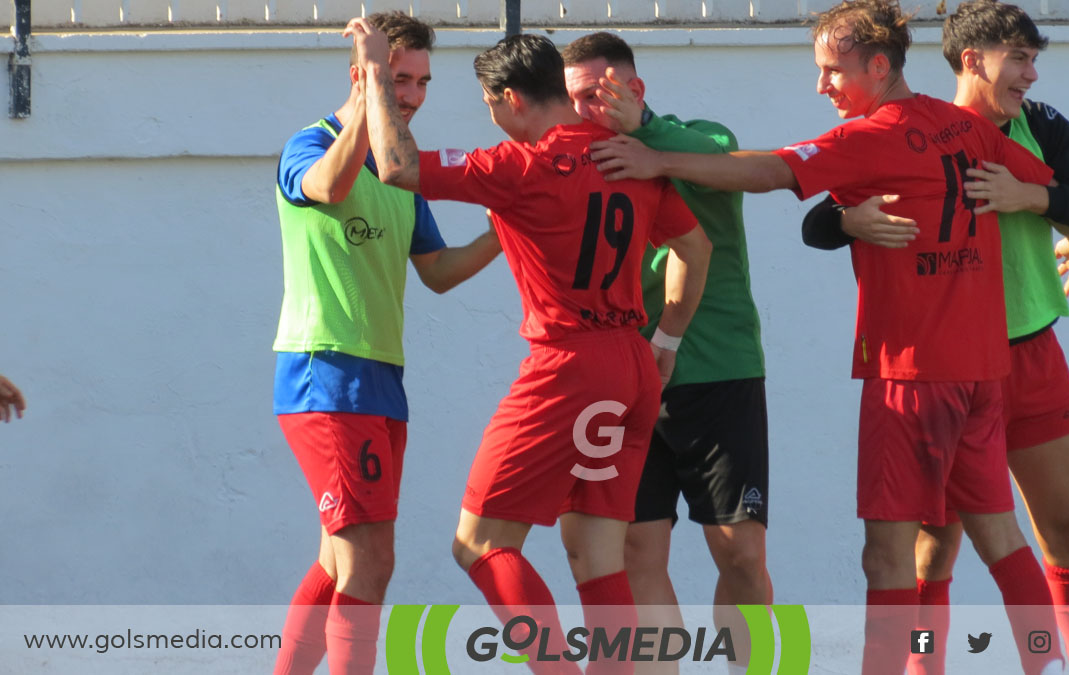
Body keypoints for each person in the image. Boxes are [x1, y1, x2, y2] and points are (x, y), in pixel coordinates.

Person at [589, 1, 1068, 672]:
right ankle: (1046, 657)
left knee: (888, 557)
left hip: (911, 378)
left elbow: (768, 171)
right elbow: (1045, 177)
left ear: (878, 66)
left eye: (831, 70)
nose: (822, 86)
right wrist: (855, 220)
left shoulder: (870, 137)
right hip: (982, 374)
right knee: (1001, 537)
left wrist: (653, 159)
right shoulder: (961, 124)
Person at [345, 20, 712, 674]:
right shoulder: (620, 153)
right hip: (631, 363)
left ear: (512, 99)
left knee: (478, 542)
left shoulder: (521, 164)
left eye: (492, 109)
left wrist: (374, 73)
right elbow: (694, 247)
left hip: (568, 365)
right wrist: (669, 335)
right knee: (596, 554)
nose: (493, 122)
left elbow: (396, 165)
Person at [801, 2, 1069, 673]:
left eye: (1034, 59)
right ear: (972, 60)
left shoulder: (1039, 127)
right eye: (1020, 58)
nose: (1032, 75)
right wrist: (848, 224)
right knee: (934, 551)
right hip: (946, 370)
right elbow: (817, 220)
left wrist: (1038, 202)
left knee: (1066, 531)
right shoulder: (913, 128)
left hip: (1031, 358)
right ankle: (925, 664)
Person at [271, 12, 502, 675]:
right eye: (398, 79)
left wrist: (505, 228)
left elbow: (438, 272)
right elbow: (328, 187)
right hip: (325, 374)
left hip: (381, 383)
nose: (412, 96)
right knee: (371, 560)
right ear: (363, 74)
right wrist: (371, 89)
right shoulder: (308, 146)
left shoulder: (402, 174)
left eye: (422, 83)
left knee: (338, 561)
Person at [562, 32, 770, 675]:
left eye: (598, 94)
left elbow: (726, 156)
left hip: (718, 373)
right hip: (622, 381)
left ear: (635, 89)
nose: (586, 111)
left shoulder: (696, 138)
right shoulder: (577, 160)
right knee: (633, 551)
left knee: (740, 554)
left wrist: (646, 141)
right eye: (575, 99)